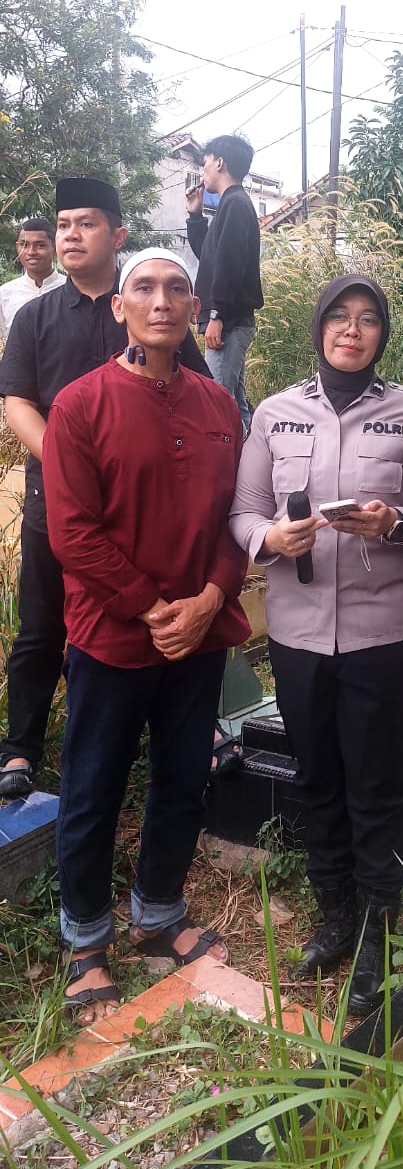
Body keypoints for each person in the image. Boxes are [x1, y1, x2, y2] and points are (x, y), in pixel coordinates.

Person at [42, 249, 250, 1020]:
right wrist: (153, 608)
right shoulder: (80, 405)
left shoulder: (219, 406)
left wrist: (209, 599)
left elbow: (237, 515)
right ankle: (86, 942)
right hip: (112, 634)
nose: (161, 301)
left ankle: (159, 912)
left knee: (183, 777)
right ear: (119, 307)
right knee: (93, 785)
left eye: (176, 289)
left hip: (199, 633)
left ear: (194, 308)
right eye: (145, 288)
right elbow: (73, 532)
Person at [229, 275, 403, 1013]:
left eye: (368, 319)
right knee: (316, 776)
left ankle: (380, 928)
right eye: (339, 317)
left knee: (377, 783)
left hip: (385, 635)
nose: (351, 330)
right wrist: (269, 539)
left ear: (383, 333)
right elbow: (243, 510)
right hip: (297, 635)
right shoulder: (275, 414)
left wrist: (394, 524)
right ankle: (335, 914)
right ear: (319, 327)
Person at [0, 178, 210, 801]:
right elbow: (17, 402)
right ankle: (20, 748)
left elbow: (197, 394)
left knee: (154, 605)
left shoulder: (150, 305)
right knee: (41, 623)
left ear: (117, 235)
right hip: (57, 501)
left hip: (143, 505)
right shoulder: (35, 318)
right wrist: (69, 465)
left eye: (85, 223)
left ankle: (169, 729)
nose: (70, 235)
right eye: (63, 224)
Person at [186, 133, 262, 438]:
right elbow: (210, 256)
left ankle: (233, 461)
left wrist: (217, 314)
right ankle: (251, 457)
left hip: (228, 321)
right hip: (230, 320)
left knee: (218, 401)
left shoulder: (235, 204)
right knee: (235, 404)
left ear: (219, 163)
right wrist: (195, 215)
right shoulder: (231, 204)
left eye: (204, 162)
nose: (203, 170)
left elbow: (231, 263)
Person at [0, 219, 65, 337]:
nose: (31, 252)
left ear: (55, 247)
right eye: (24, 245)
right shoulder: (5, 294)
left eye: (40, 245)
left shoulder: (71, 288)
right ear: (17, 247)